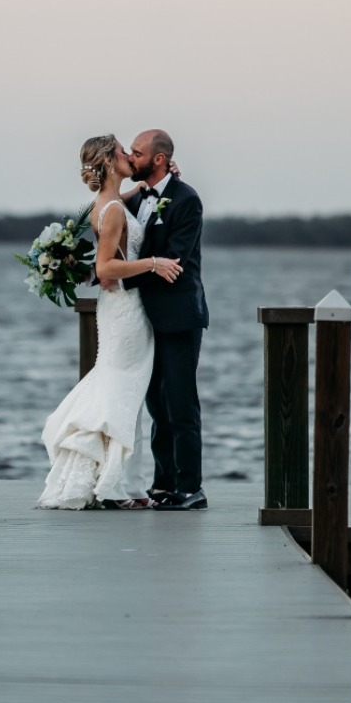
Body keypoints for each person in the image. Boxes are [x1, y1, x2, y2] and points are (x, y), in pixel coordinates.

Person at [36, 134, 182, 510]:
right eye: (122, 151)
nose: (129, 156)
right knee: (124, 393)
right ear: (108, 161)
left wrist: (166, 179)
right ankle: (117, 488)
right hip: (126, 308)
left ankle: (123, 484)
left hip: (121, 308)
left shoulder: (110, 202)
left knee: (122, 391)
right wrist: (154, 262)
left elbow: (136, 195)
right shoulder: (112, 209)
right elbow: (105, 268)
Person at [123, 129, 209, 510]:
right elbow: (99, 217)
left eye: (137, 153)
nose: (131, 157)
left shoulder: (186, 200)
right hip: (147, 318)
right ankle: (163, 483)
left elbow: (172, 262)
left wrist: (114, 275)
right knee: (157, 403)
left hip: (179, 316)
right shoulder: (142, 196)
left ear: (158, 159)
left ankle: (191, 488)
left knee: (181, 403)